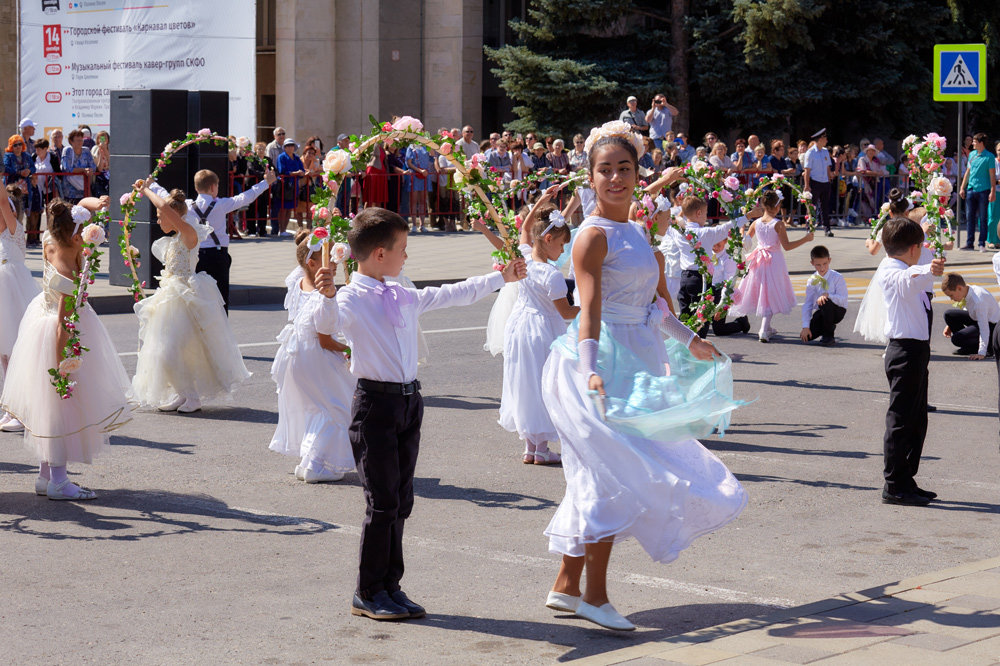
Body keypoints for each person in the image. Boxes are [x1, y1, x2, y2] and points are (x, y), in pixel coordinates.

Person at [541, 122, 745, 631]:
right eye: (604, 170)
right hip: (598, 363)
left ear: (638, 174)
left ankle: (568, 586)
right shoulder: (590, 235)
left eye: (624, 169)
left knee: (600, 474)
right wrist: (590, 371)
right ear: (590, 177)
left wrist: (690, 339)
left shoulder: (637, 230)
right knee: (615, 475)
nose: (615, 178)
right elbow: (588, 310)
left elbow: (652, 306)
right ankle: (595, 595)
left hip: (639, 358)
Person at [326, 207, 526, 621]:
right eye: (402, 249)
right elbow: (325, 322)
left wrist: (500, 277)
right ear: (379, 254)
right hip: (374, 406)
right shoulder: (348, 296)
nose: (406, 257)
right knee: (380, 501)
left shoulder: (401, 293)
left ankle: (390, 585)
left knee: (400, 500)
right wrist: (325, 294)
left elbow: (453, 293)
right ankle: (367, 590)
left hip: (407, 403)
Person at [0, 197, 132, 500]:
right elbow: (64, 325)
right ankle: (59, 481)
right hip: (60, 336)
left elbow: (72, 209)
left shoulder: (50, 240)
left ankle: (45, 476)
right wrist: (63, 367)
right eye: (83, 232)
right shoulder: (69, 275)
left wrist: (97, 205)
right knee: (61, 404)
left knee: (47, 406)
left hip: (38, 325)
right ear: (75, 236)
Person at [131, 182, 250, 414]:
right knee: (164, 349)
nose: (158, 221)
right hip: (170, 296)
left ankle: (192, 397)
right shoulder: (175, 238)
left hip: (184, 298)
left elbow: (165, 209)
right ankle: (181, 393)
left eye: (160, 217)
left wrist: (144, 190)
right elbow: (166, 210)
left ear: (173, 216)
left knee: (173, 348)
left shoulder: (188, 233)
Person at [269, 229, 355, 483]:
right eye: (327, 259)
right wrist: (349, 349)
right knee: (340, 407)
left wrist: (319, 231)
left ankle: (309, 460)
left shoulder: (299, 281)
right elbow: (326, 339)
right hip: (316, 355)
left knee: (318, 408)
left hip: (295, 356)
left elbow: (301, 261)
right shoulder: (324, 294)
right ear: (313, 263)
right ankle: (318, 464)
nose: (334, 265)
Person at [498, 197, 578, 465]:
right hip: (541, 329)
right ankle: (541, 448)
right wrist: (591, 307)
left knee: (524, 382)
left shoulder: (523, 257)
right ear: (547, 239)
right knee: (543, 383)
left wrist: (541, 202)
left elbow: (525, 229)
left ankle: (531, 447)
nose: (563, 249)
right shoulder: (551, 274)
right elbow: (565, 312)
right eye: (561, 243)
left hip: (519, 325)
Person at [876, 217, 945, 506]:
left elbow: (918, 271)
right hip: (904, 351)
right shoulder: (893, 271)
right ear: (914, 249)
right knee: (901, 421)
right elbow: (908, 281)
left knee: (916, 419)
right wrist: (928, 269)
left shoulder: (904, 264)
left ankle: (906, 479)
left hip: (915, 351)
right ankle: (893, 484)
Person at [147, 166, 277, 312]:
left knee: (198, 297)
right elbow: (246, 196)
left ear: (196, 187)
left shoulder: (188, 205)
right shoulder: (221, 204)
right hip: (218, 256)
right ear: (213, 187)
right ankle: (220, 325)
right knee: (220, 298)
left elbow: (165, 196)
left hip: (196, 256)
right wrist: (266, 183)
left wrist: (152, 184)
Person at [730, 190, 814, 342]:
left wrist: (742, 229)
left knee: (763, 292)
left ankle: (767, 327)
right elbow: (787, 246)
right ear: (776, 206)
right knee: (771, 294)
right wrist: (806, 239)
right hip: (774, 260)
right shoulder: (778, 224)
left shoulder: (756, 223)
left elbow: (746, 239)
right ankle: (763, 329)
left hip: (758, 260)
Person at [674, 195, 756, 335]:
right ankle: (699, 348)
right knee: (701, 319)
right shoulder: (704, 233)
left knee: (685, 316)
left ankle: (685, 346)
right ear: (699, 213)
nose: (706, 217)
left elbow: (676, 218)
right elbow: (728, 227)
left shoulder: (679, 231)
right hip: (700, 279)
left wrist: (682, 211)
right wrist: (749, 215)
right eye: (705, 213)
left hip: (684, 278)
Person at [0, 190, 41, 432]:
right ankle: (10, 407)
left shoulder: (13, 232)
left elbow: (3, 201)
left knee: (15, 355)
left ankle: (23, 411)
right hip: (3, 297)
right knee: (4, 358)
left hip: (14, 295)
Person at [940, 272, 999, 358]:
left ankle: (986, 348)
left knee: (956, 339)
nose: (951, 299)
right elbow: (969, 309)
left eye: (951, 295)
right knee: (949, 315)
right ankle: (968, 345)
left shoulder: (979, 300)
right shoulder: (966, 290)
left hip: (991, 326)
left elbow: (984, 328)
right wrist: (949, 325)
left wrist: (982, 352)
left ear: (959, 288)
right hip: (977, 319)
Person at [799, 245, 848, 346]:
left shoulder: (837, 277)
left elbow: (843, 300)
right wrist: (805, 327)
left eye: (825, 264)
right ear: (812, 263)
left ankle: (828, 335)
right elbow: (808, 304)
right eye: (818, 265)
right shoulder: (812, 280)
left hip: (838, 311)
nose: (822, 268)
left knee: (824, 301)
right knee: (807, 337)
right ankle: (828, 326)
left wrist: (828, 295)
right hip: (822, 311)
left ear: (829, 260)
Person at [959, 133, 997, 251]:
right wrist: (962, 187)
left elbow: (992, 175)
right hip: (971, 189)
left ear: (981, 143)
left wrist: (993, 191)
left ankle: (981, 243)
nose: (973, 143)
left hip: (983, 190)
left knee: (983, 217)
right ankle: (969, 243)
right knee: (970, 217)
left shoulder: (989, 157)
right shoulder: (972, 155)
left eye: (975, 141)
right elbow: (968, 172)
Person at [708, 238, 751, 336]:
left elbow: (728, 285)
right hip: (709, 291)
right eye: (713, 245)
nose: (715, 248)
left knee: (719, 330)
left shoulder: (728, 259)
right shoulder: (707, 255)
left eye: (718, 245)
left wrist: (721, 307)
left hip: (721, 293)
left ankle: (741, 323)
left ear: (725, 241)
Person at [803, 129, 835, 237]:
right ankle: (809, 228)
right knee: (811, 207)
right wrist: (807, 185)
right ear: (820, 139)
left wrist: (830, 175)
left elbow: (827, 167)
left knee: (825, 207)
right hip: (815, 182)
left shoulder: (825, 151)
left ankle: (827, 229)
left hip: (825, 182)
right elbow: (807, 170)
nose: (826, 140)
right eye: (825, 138)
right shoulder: (810, 152)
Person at [276, 139, 306, 235]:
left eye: (292, 145)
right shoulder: (281, 157)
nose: (290, 147)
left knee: (290, 208)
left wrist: (302, 173)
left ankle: (284, 229)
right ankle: (282, 230)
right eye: (288, 146)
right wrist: (295, 173)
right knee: (283, 208)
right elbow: (282, 171)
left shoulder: (297, 158)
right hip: (285, 185)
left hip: (294, 185)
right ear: (284, 148)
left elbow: (302, 169)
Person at [61, 129, 96, 203]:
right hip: (70, 192)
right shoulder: (67, 150)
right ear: (71, 141)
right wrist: (83, 170)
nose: (80, 142)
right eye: (77, 140)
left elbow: (93, 167)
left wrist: (89, 170)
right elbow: (67, 168)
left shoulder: (86, 150)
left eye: (81, 140)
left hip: (84, 191)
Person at [4, 135, 33, 219]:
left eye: (20, 144)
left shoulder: (27, 155)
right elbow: (5, 168)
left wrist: (29, 171)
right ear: (11, 146)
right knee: (12, 212)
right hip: (12, 189)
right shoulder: (8, 156)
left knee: (21, 214)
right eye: (15, 145)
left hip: (25, 190)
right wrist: (19, 172)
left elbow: (33, 167)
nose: (18, 147)